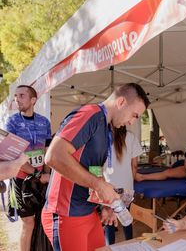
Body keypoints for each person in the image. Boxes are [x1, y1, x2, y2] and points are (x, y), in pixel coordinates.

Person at [42, 83, 150, 251]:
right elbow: (54, 156)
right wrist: (99, 185)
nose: (131, 121)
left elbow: (94, 169)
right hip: (66, 211)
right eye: (134, 115)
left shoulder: (106, 128)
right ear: (121, 102)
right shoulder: (90, 114)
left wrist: (104, 204)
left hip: (88, 210)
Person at [5, 85, 52, 251]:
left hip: (42, 178)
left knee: (42, 220)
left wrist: (46, 174)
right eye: (16, 96)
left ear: (33, 100)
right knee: (28, 223)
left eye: (22, 95)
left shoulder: (44, 122)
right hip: (21, 179)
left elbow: (47, 152)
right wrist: (38, 174)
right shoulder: (12, 122)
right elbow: (14, 155)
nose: (17, 99)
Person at [103, 126, 143, 245]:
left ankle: (110, 247)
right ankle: (130, 244)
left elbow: (96, 164)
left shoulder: (103, 137)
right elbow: (134, 165)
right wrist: (130, 181)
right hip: (126, 188)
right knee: (127, 219)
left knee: (109, 223)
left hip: (108, 187)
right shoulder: (131, 137)